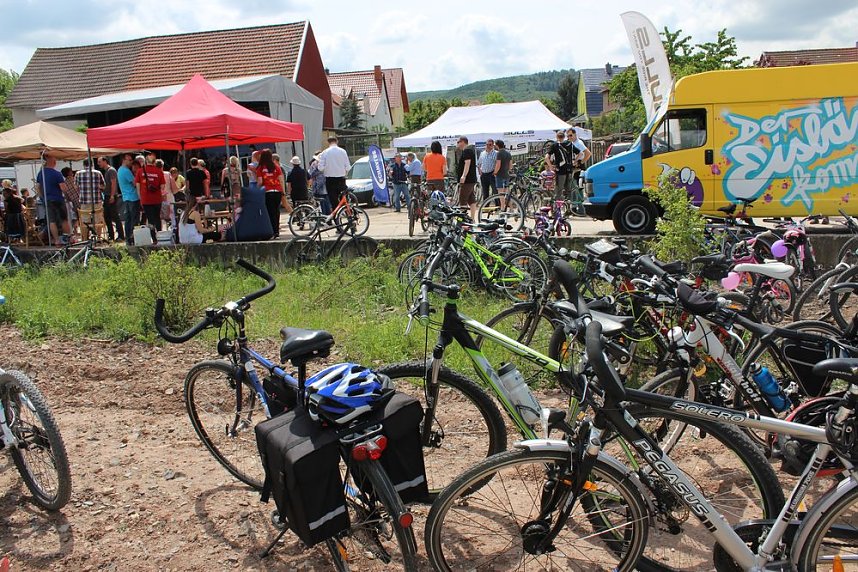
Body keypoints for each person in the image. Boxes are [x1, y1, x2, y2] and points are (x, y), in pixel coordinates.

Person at [35, 155, 70, 245]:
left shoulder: (40, 173)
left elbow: (38, 188)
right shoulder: (57, 174)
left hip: (47, 200)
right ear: (53, 162)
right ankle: (67, 238)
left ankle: (57, 240)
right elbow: (63, 188)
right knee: (64, 220)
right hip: (58, 199)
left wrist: (42, 198)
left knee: (52, 221)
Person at [74, 159, 105, 241]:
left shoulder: (78, 173)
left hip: (84, 200)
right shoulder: (98, 173)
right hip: (97, 200)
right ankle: (98, 237)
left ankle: (85, 238)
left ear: (84, 165)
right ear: (92, 164)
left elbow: (76, 187)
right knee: (98, 219)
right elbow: (103, 186)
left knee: (85, 220)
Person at [135, 151, 166, 234]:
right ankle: (160, 234)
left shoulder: (140, 171)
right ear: (154, 161)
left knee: (150, 219)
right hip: (157, 199)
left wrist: (140, 197)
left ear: (146, 160)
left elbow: (137, 186)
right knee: (157, 218)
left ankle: (154, 238)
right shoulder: (159, 171)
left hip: (145, 199)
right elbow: (162, 187)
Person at [257, 149, 284, 238]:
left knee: (270, 212)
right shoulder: (276, 166)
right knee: (276, 212)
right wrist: (283, 191)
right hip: (277, 191)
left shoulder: (260, 168)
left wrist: (257, 189)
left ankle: (273, 231)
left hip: (267, 192)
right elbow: (281, 179)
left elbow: (260, 181)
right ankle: (277, 231)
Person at [318, 136, 351, 209]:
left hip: (330, 180)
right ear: (337, 141)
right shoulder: (343, 151)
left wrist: (327, 168)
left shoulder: (325, 152)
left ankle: (336, 216)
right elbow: (348, 167)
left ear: (328, 142)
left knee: (333, 201)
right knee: (344, 199)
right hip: (341, 179)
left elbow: (320, 168)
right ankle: (346, 213)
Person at [98, 156, 125, 242]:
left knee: (114, 216)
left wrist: (112, 195)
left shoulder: (111, 171)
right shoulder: (106, 171)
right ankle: (111, 235)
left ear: (105, 161)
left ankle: (121, 235)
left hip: (111, 195)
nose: (98, 164)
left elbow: (114, 183)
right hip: (107, 194)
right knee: (107, 216)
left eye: (100, 162)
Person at [117, 154, 140, 245]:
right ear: (124, 160)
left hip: (126, 197)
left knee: (128, 219)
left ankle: (128, 238)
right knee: (134, 219)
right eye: (129, 160)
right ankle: (133, 238)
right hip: (133, 197)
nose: (131, 162)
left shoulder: (119, 170)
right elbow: (135, 183)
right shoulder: (126, 171)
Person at [565, 128, 592, 199]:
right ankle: (576, 203)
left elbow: (588, 153)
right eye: (568, 136)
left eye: (571, 135)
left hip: (578, 166)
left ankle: (580, 203)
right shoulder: (572, 143)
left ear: (575, 134)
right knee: (574, 185)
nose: (569, 137)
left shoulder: (579, 143)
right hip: (573, 165)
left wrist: (581, 162)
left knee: (577, 185)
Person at [545, 130, 572, 199]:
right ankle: (570, 206)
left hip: (560, 171)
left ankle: (558, 207)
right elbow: (579, 153)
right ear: (564, 136)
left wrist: (551, 167)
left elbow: (546, 158)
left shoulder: (555, 145)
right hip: (569, 169)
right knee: (568, 190)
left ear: (557, 137)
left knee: (559, 190)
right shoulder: (569, 143)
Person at [456, 136, 478, 220]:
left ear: (463, 142)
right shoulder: (468, 151)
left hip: (467, 180)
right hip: (470, 179)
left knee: (463, 199)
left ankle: (463, 219)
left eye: (458, 142)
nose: (457, 144)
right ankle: (472, 219)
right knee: (471, 199)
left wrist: (463, 175)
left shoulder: (467, 151)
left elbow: (467, 163)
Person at [308, 151, 331, 215]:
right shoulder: (317, 164)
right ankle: (325, 217)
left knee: (324, 203)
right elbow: (311, 174)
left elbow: (310, 174)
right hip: (322, 187)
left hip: (321, 187)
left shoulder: (316, 164)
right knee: (324, 203)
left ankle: (325, 218)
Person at [493, 140, 513, 209]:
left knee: (501, 193)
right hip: (506, 175)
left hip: (500, 175)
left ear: (497, 145)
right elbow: (511, 165)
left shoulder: (499, 153)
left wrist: (495, 172)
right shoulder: (508, 153)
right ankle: (511, 208)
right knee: (507, 192)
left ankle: (502, 208)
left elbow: (498, 164)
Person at [61, 167, 80, 234]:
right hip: (81, 200)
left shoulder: (64, 183)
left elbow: (66, 195)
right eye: (71, 171)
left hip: (73, 202)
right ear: (69, 172)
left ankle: (75, 230)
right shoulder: (75, 179)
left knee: (77, 216)